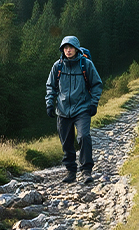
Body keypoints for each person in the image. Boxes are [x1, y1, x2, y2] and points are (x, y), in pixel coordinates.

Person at [45, 35, 103, 184]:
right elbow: (50, 86)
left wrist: (93, 104)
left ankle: (86, 171)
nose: (68, 50)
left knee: (83, 137)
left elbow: (96, 84)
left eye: (71, 47)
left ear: (76, 49)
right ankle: (71, 171)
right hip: (63, 110)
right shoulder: (57, 66)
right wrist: (49, 103)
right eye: (65, 48)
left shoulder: (86, 64)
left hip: (82, 108)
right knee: (66, 142)